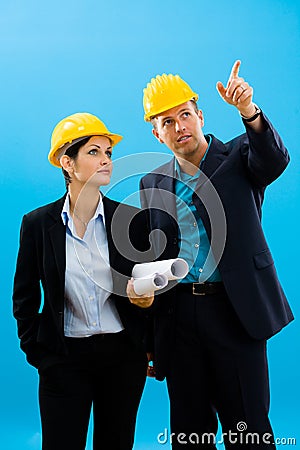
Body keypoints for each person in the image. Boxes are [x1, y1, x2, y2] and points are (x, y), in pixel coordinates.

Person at [135, 61, 294, 448]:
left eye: (184, 115)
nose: (180, 127)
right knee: (190, 432)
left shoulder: (241, 155)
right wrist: (152, 339)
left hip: (236, 311)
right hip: (180, 318)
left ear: (200, 115)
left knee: (249, 429)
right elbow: (157, 259)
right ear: (157, 133)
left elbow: (274, 160)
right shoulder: (152, 183)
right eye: (167, 122)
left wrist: (249, 112)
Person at [12, 112, 153, 450]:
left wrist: (147, 309)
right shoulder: (36, 225)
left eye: (108, 153)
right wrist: (40, 353)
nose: (106, 160)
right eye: (94, 152)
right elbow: (24, 298)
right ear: (67, 163)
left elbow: (150, 286)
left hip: (122, 358)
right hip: (63, 359)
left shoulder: (130, 221)